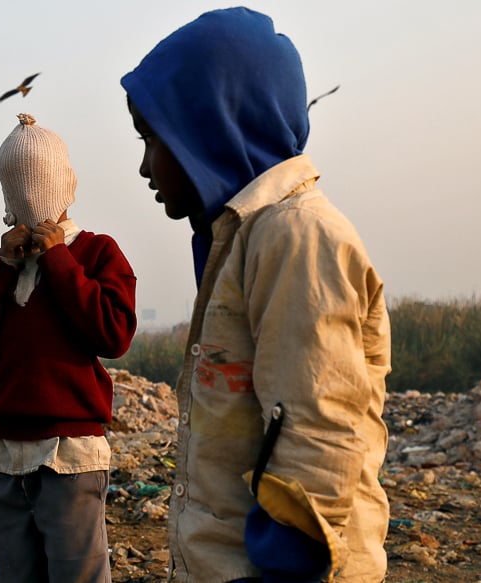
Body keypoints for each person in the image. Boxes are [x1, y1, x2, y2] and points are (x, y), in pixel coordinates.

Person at [121, 7, 391, 583]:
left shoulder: (295, 236)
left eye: (153, 139)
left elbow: (317, 426)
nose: (144, 167)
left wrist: (285, 565)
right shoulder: (241, 238)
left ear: (210, 127)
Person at [0, 113, 137, 583]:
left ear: (64, 184)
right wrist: (0, 266)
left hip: (70, 454)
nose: (29, 200)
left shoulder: (96, 253)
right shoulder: (2, 265)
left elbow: (113, 335)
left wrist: (57, 258)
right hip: (5, 456)